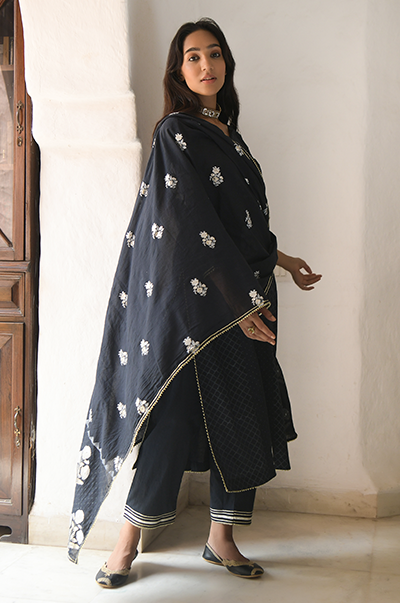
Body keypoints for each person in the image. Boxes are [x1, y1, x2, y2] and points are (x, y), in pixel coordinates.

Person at [67, 18, 321, 588]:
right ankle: (126, 544)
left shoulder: (230, 136)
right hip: (201, 305)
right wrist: (239, 304)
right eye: (193, 57)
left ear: (226, 62)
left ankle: (221, 538)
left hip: (250, 292)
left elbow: (240, 225)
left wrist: (282, 260)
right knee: (173, 418)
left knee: (242, 413)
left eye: (214, 54)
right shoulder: (176, 133)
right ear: (178, 71)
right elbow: (186, 222)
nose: (206, 65)